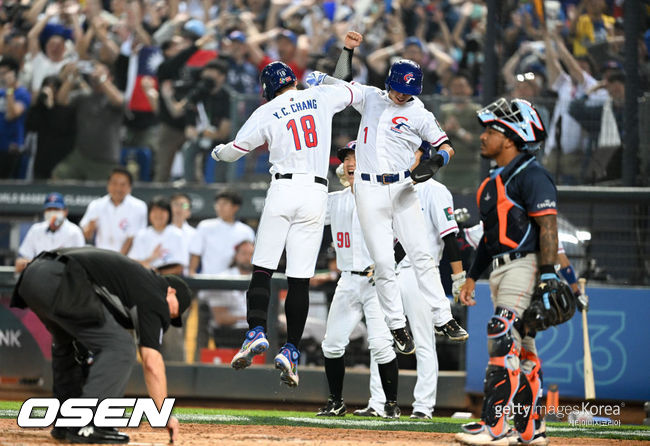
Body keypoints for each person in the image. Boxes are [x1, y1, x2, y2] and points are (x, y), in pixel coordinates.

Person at [307, 31, 466, 354]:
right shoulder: (371, 96)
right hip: (367, 187)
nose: (401, 95)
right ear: (389, 83)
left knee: (421, 254)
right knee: (382, 261)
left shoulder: (419, 112)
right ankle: (396, 326)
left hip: (402, 186)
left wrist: (436, 162)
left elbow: (446, 146)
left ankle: (443, 317)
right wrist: (348, 50)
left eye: (408, 91)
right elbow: (340, 83)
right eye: (398, 88)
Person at [211, 60, 363, 387]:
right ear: (293, 79)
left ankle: (255, 332)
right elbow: (350, 91)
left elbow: (236, 151)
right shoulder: (320, 95)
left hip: (283, 186)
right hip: (316, 191)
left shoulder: (267, 110)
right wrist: (341, 59)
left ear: (266, 88)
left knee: (263, 269)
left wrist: (217, 152)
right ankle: (291, 349)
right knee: (299, 279)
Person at [10, 246, 192, 443]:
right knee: (121, 347)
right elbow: (151, 362)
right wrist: (164, 414)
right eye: (175, 310)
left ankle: (67, 421)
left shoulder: (134, 283)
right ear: (171, 291)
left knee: (71, 344)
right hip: (63, 279)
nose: (170, 317)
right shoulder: (155, 294)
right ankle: (88, 422)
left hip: (34, 275)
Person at [454, 97, 553, 446]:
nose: (483, 137)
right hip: (499, 269)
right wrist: (470, 276)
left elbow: (548, 229)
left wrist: (553, 275)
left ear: (510, 138)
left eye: (491, 131)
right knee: (524, 350)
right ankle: (530, 430)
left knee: (501, 332)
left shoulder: (533, 175)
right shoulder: (493, 181)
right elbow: (488, 240)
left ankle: (494, 428)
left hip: (525, 264)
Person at [367, 148, 469, 420]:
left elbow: (450, 239)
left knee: (424, 342)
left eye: (410, 152)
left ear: (424, 157)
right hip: (395, 271)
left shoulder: (436, 191)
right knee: (382, 337)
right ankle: (379, 402)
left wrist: (458, 278)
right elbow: (398, 241)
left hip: (421, 273)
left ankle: (423, 407)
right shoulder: (396, 188)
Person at [316, 142, 400, 419]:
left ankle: (390, 405)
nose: (350, 162)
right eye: (347, 158)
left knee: (379, 343)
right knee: (332, 343)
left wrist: (387, 264)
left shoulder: (385, 199)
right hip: (348, 279)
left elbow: (406, 238)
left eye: (356, 157)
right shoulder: (336, 199)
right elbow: (308, 218)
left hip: (377, 281)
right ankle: (336, 402)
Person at [79, 167, 148, 254]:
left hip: (128, 259)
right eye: (114, 183)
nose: (118, 188)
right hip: (101, 255)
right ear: (108, 185)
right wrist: (91, 227)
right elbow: (86, 236)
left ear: (129, 187)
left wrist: (118, 261)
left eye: (123, 184)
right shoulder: (96, 205)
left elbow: (132, 238)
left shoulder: (139, 206)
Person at [15, 192, 84, 273]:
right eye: (49, 209)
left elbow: (80, 264)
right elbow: (21, 261)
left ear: (65, 211)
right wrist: (38, 264)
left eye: (56, 209)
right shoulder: (36, 229)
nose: (52, 213)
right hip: (40, 276)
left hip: (64, 279)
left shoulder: (74, 232)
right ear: (45, 211)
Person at [128, 196, 189, 276]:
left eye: (162, 211)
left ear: (169, 214)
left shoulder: (178, 235)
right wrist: (151, 258)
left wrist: (157, 273)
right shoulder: (141, 234)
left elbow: (179, 267)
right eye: (155, 211)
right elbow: (132, 262)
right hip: (144, 279)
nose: (158, 215)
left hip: (169, 281)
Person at [0, 57, 31, 179]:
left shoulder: (22, 94)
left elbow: (11, 115)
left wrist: (10, 89)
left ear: (14, 73)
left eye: (4, 73)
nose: (1, 77)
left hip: (11, 148)